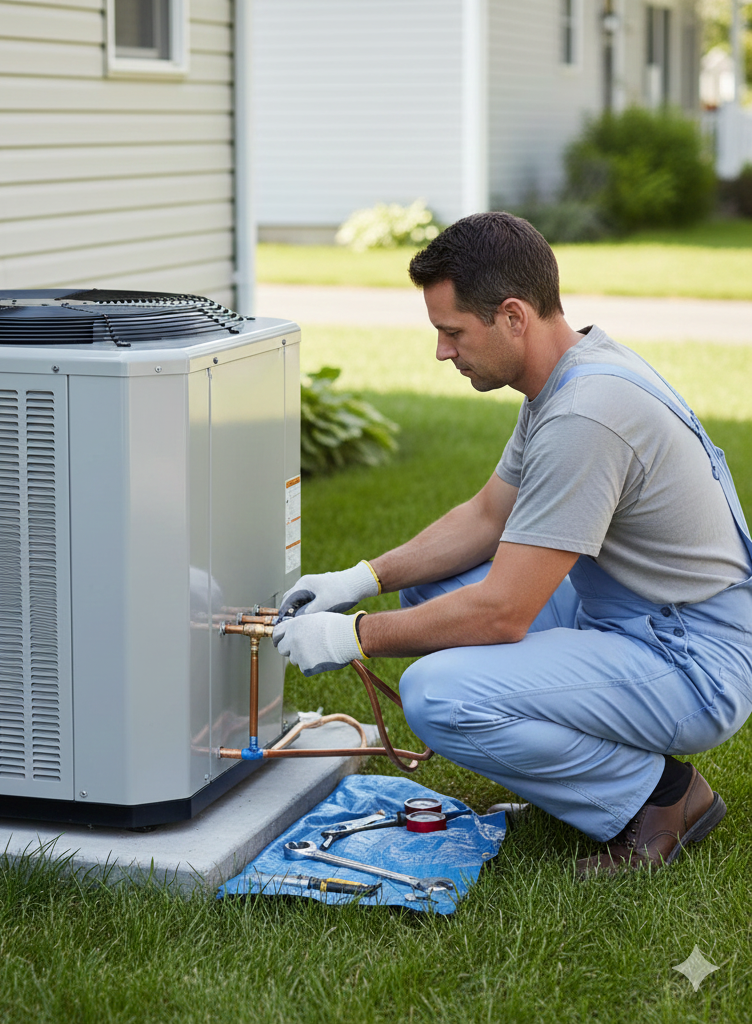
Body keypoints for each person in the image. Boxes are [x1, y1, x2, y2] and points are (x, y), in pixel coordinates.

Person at [272, 212, 752, 876]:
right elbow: (485, 517)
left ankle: (663, 797)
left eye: (452, 332)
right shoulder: (567, 377)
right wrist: (360, 578)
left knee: (438, 694)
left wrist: (352, 636)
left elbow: (503, 613)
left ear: (514, 317)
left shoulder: (587, 414)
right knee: (433, 593)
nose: (442, 352)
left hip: (694, 661)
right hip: (639, 619)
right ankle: (595, 775)